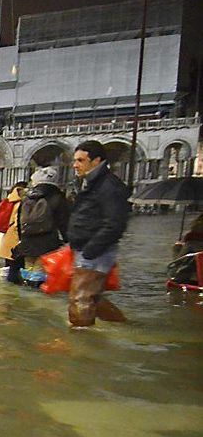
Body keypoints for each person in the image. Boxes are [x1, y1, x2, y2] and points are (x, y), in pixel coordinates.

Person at [67, 140, 130, 326]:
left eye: (80, 160)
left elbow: (115, 224)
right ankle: (123, 325)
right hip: (87, 248)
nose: (75, 165)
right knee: (92, 296)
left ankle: (79, 341)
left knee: (80, 298)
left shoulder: (109, 186)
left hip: (94, 251)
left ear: (96, 160)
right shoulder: (92, 183)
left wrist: (90, 250)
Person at [13, 167, 70, 278]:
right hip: (48, 243)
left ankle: (26, 291)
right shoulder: (58, 198)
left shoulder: (27, 198)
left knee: (28, 271)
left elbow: (19, 221)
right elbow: (64, 223)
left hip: (27, 242)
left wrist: (21, 240)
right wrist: (69, 242)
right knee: (40, 274)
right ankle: (35, 292)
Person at [0, 181, 26, 285]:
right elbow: (19, 223)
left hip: (5, 238)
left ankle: (6, 287)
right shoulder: (20, 203)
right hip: (15, 239)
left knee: (9, 265)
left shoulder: (9, 200)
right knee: (16, 268)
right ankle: (12, 292)